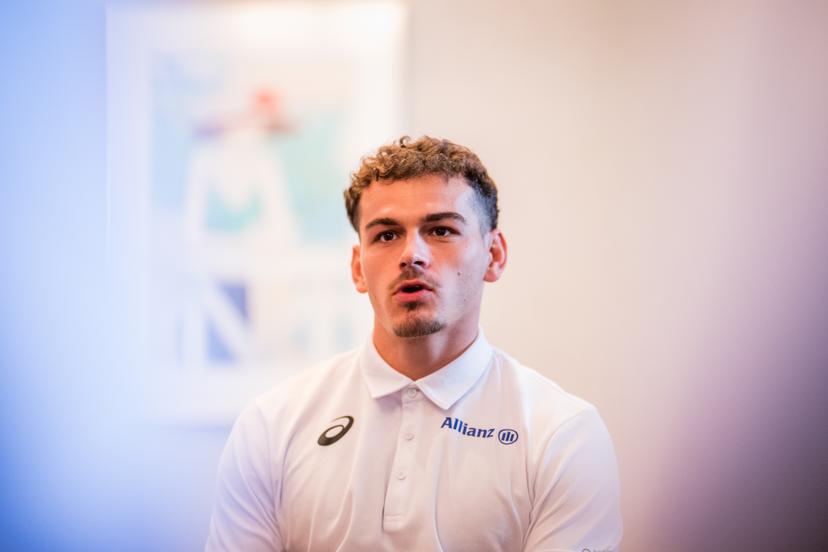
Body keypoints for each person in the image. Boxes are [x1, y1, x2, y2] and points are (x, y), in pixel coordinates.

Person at [206, 136, 623, 551]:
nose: (412, 255)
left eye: (441, 230)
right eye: (387, 235)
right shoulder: (272, 425)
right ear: (357, 268)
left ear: (494, 255)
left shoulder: (562, 435)